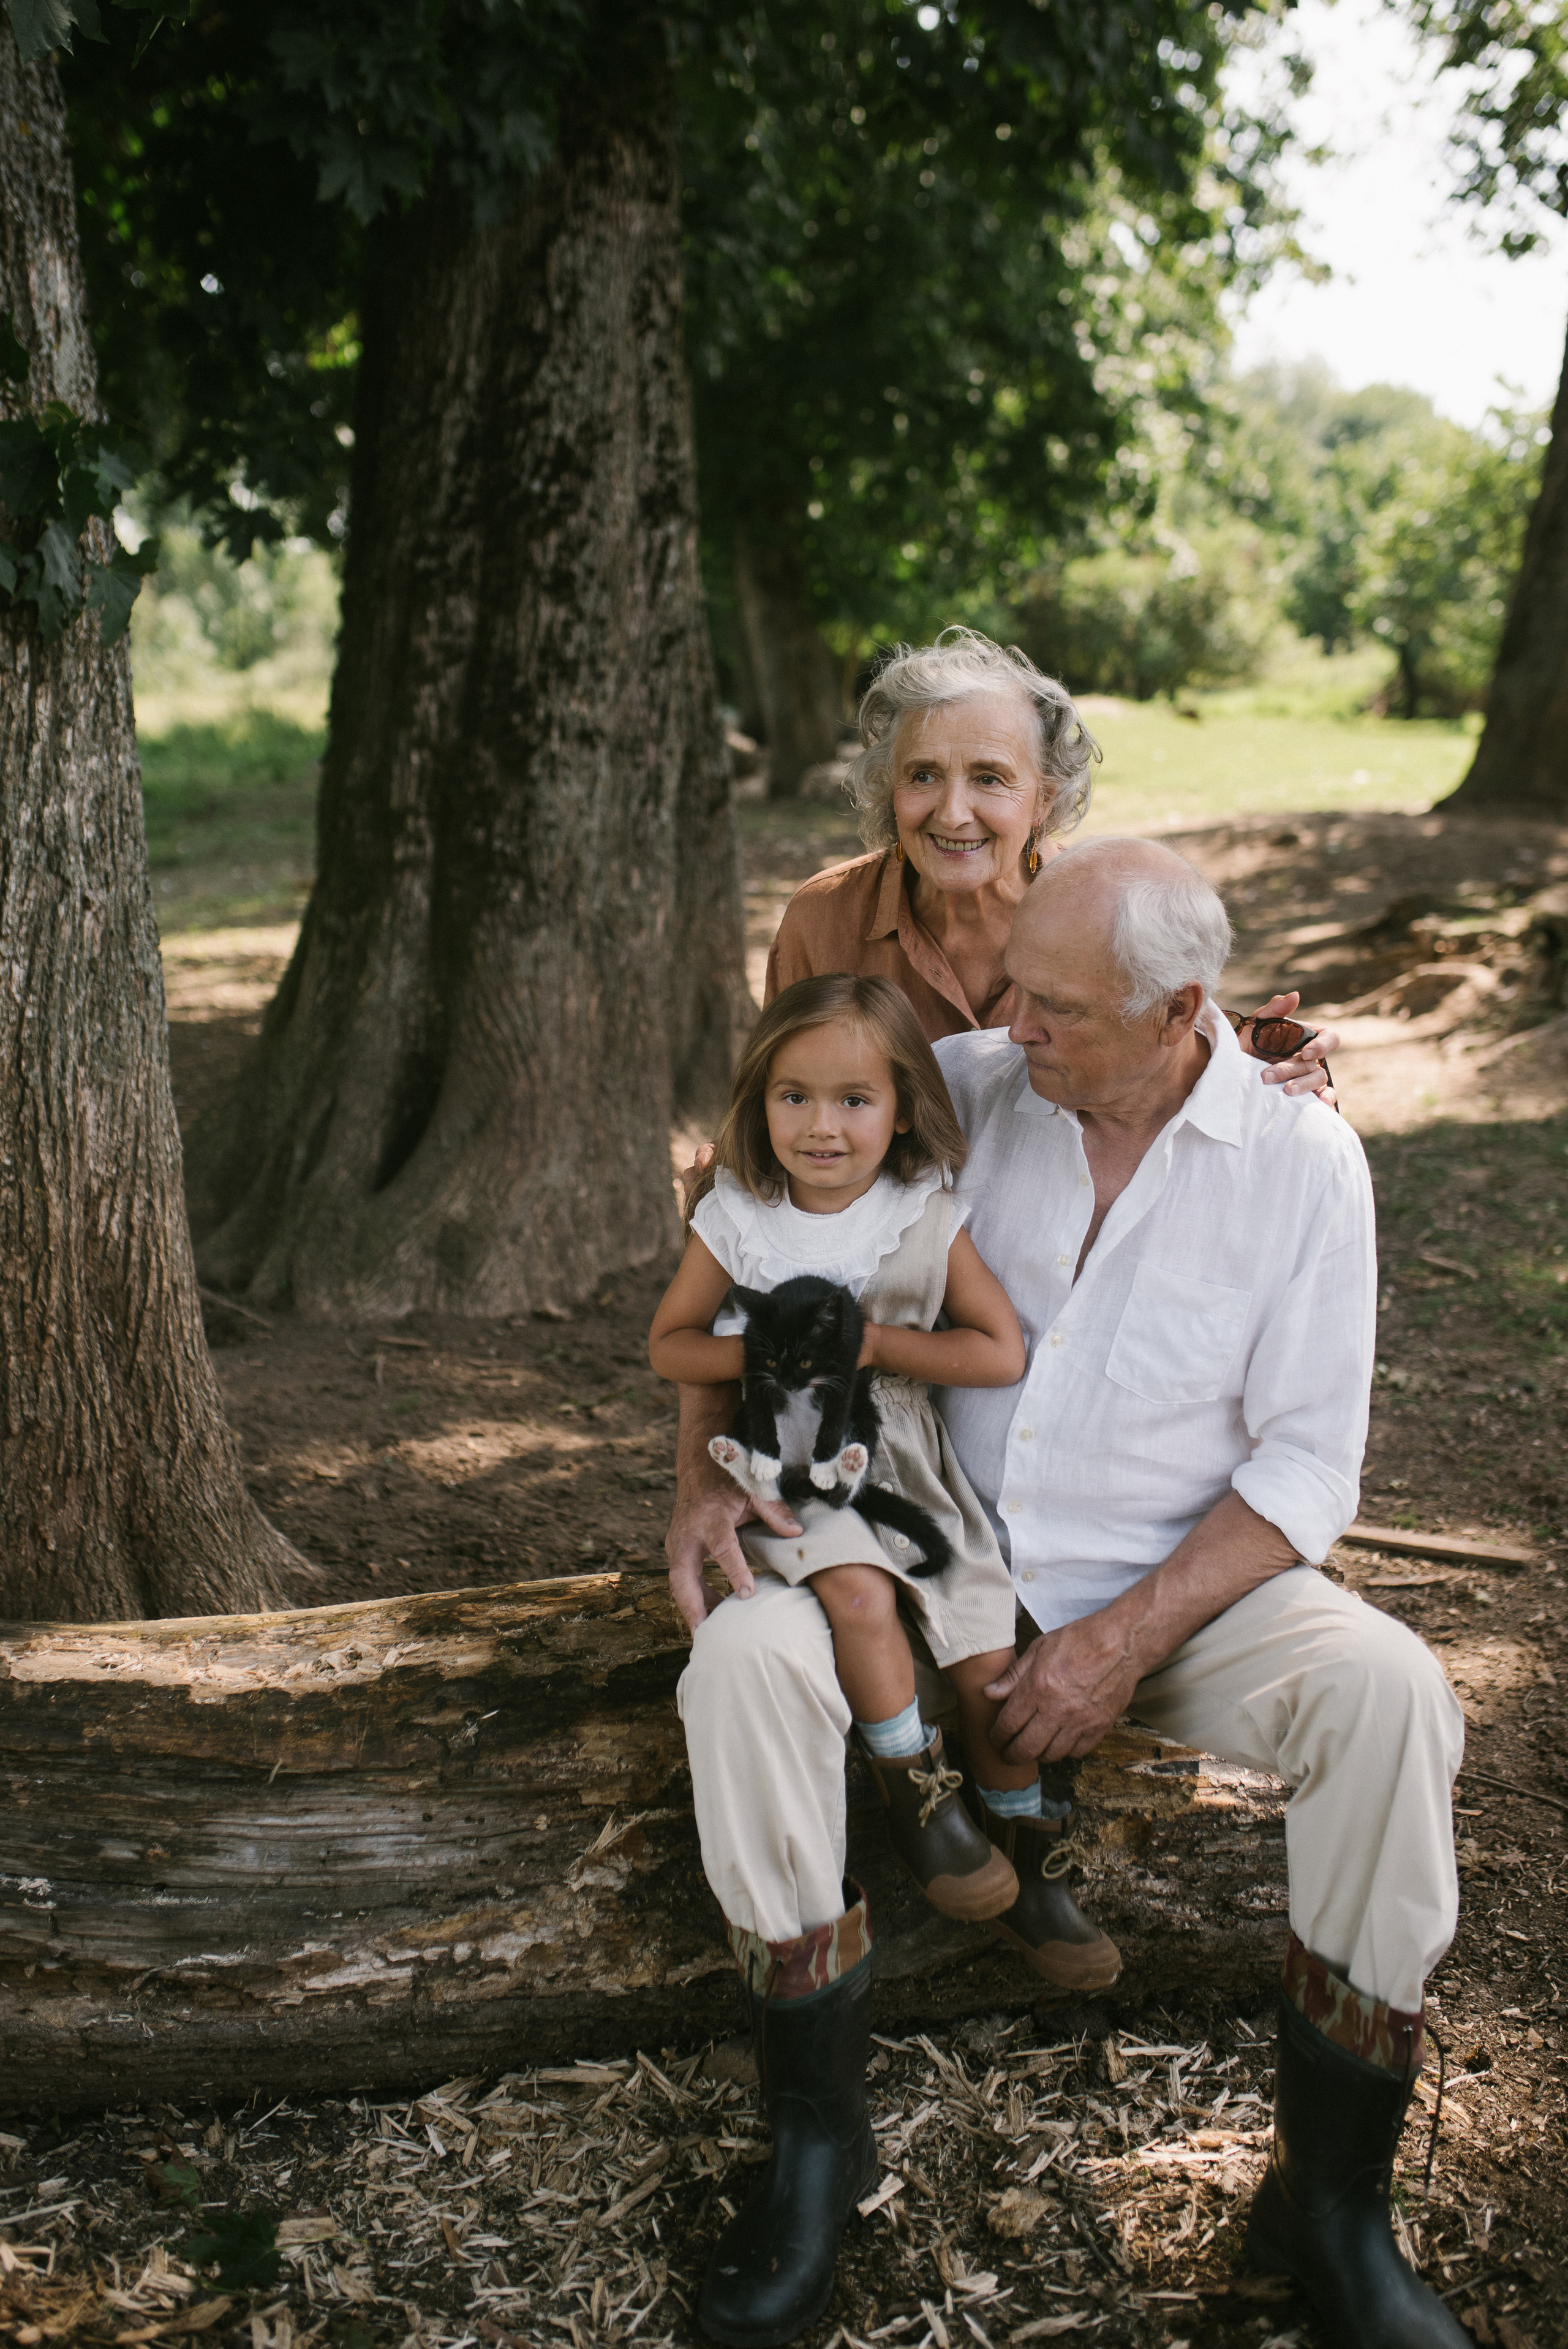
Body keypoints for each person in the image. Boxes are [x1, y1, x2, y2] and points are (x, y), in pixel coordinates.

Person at [668, 838, 1467, 2349]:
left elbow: (1307, 1467)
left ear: (1176, 1012)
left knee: (1390, 1695)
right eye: (1013, 991)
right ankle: (816, 2148)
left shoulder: (1298, 1161)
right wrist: (702, 1468)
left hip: (1174, 1588)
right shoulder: (968, 1088)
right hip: (914, 1549)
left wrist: (1121, 1637)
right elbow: (747, 1216)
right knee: (742, 1663)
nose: (1008, 1023)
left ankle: (1331, 2204)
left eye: (1055, 1008)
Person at [650, 972, 1098, 1939]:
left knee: (985, 1655)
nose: (822, 1125)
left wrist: (882, 1344)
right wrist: (767, 1352)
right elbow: (671, 1344)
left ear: (901, 1111)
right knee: (857, 1594)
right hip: (795, 1455)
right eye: (794, 1096)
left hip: (908, 1455)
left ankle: (1028, 1846)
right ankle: (916, 1790)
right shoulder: (737, 1215)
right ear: (759, 1101)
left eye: (854, 1099)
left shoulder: (921, 1213)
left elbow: (999, 1349)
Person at [766, 626, 1336, 1103]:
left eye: (989, 778)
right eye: (923, 775)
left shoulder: (1110, 913)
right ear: (890, 786)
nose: (953, 812)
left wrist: (1252, 1072)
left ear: (1044, 798)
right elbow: (776, 1104)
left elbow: (1164, 1070)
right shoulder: (824, 920)